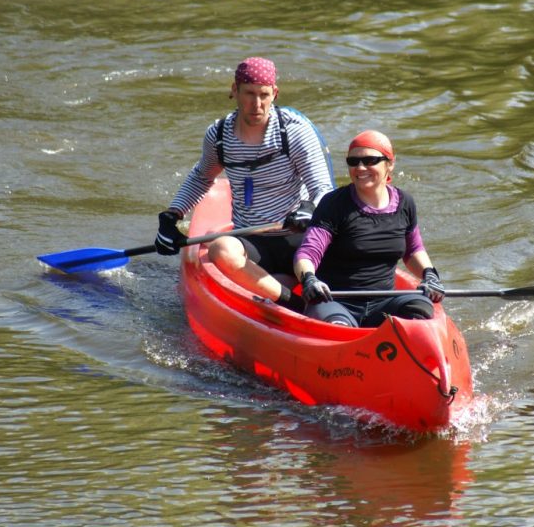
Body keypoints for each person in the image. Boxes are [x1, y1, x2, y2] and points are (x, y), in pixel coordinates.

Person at [155, 57, 335, 311]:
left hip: (299, 238)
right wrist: (172, 215)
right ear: (234, 90)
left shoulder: (294, 132)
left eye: (264, 95)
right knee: (220, 249)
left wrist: (309, 207)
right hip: (251, 241)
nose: (257, 104)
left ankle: (279, 287)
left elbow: (324, 190)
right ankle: (290, 302)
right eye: (249, 93)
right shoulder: (218, 136)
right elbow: (201, 177)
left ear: (275, 94)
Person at [293, 130, 446, 327]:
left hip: (384, 302)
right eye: (353, 161)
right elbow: (307, 253)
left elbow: (413, 250)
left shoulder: (405, 203)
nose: (360, 167)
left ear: (390, 163)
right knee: (338, 327)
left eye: (370, 160)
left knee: (421, 307)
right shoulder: (333, 204)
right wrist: (309, 279)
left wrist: (430, 275)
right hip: (335, 302)